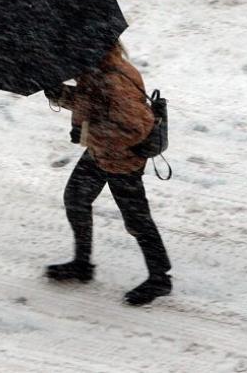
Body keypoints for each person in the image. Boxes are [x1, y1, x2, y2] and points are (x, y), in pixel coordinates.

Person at [43, 42, 172, 305]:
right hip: (100, 154)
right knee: (76, 199)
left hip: (123, 162)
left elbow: (136, 128)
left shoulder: (113, 79)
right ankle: (82, 264)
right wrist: (60, 94)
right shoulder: (95, 73)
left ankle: (160, 279)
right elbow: (90, 102)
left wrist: (92, 134)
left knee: (137, 221)